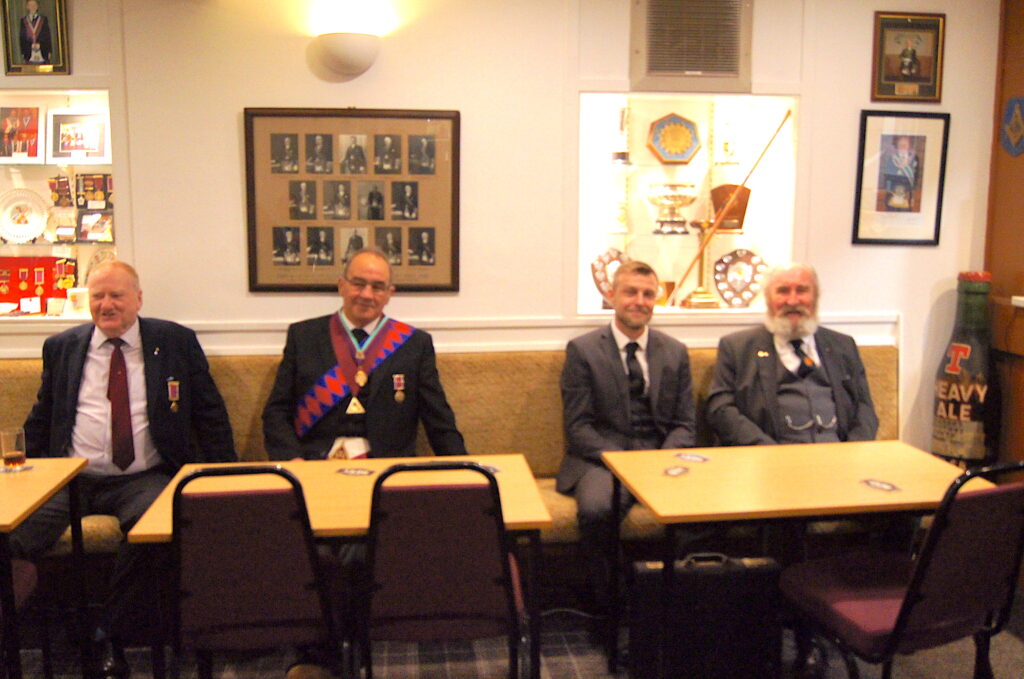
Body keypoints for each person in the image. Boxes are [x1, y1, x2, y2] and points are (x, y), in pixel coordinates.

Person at [11, 260, 235, 679]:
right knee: (11, 534)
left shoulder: (174, 342)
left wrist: (225, 478)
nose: (107, 304)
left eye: (116, 295)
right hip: (70, 477)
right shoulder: (61, 347)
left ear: (138, 299)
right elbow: (42, 417)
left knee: (155, 531)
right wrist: (21, 474)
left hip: (144, 477)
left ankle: (107, 635)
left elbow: (209, 414)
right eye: (98, 296)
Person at [556, 260, 696, 611]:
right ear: (612, 295)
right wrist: (625, 464)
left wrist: (660, 460)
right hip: (601, 459)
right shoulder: (583, 350)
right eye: (631, 292)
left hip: (660, 456)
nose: (640, 301)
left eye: (648, 294)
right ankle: (613, 606)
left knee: (702, 507)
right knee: (597, 511)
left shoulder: (675, 351)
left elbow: (685, 424)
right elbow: (578, 428)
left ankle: (673, 603)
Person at [262, 246, 466, 462]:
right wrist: (292, 460)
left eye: (378, 287)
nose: (367, 295)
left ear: (389, 294)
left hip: (388, 466)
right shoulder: (304, 337)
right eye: (358, 284)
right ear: (342, 286)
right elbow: (277, 411)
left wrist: (465, 469)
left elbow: (438, 419)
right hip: (314, 464)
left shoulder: (414, 344)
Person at [707, 263, 878, 446]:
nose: (793, 301)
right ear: (767, 299)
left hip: (839, 454)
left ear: (816, 297)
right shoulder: (737, 348)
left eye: (802, 291)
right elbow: (721, 409)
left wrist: (853, 450)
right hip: (769, 455)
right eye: (783, 291)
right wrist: (767, 450)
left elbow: (864, 408)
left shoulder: (843, 346)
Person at [19, 0, 52, 65]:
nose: (32, 7)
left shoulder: (43, 19)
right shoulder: (23, 21)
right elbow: (22, 37)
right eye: (30, 5)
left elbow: (47, 36)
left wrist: (49, 50)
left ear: (37, 6)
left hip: (42, 51)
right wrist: (23, 52)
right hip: (29, 52)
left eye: (34, 5)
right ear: (27, 7)